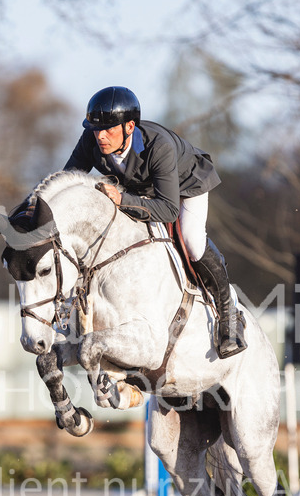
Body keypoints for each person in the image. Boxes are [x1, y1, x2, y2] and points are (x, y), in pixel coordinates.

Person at [63, 86, 246, 358]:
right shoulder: (92, 137)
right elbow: (69, 181)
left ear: (130, 127)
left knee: (192, 240)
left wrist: (122, 200)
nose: (100, 136)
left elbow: (169, 209)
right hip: (144, 189)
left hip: (187, 184)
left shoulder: (158, 146)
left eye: (109, 130)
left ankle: (229, 311)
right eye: (95, 129)